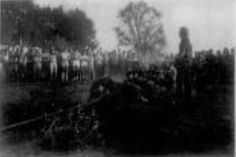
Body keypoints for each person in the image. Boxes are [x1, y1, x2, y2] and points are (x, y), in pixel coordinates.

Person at [176, 27, 192, 101]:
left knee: (180, 81)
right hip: (187, 64)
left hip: (183, 64)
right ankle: (187, 98)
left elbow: (182, 53)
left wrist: (177, 58)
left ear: (183, 34)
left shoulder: (183, 42)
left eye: (180, 33)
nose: (179, 34)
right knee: (187, 81)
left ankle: (180, 98)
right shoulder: (188, 42)